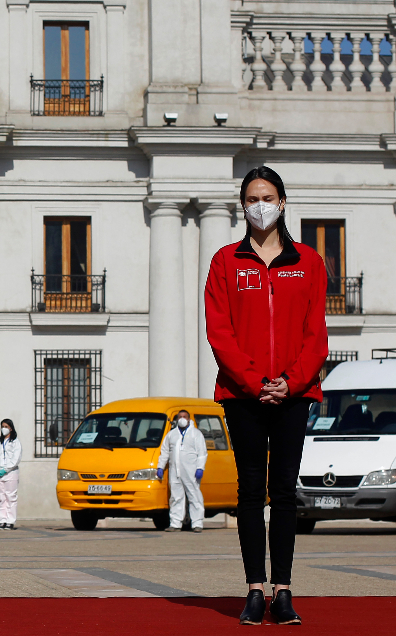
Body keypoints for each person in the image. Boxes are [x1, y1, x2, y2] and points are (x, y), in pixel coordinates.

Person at [205, 166, 327, 626]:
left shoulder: (309, 263)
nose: (261, 205)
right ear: (243, 206)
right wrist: (255, 381)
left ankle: (284, 590)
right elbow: (220, 332)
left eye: (269, 196)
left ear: (282, 202)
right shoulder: (224, 262)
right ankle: (255, 588)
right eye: (253, 198)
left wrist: (290, 382)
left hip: (295, 395)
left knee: (285, 492)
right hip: (243, 394)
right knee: (251, 491)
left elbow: (316, 334)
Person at [156, 410, 207, 533]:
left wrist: (200, 467)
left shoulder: (196, 434)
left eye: (184, 417)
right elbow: (165, 452)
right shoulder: (171, 434)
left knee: (194, 496)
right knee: (176, 497)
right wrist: (160, 467)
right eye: (180, 417)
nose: (182, 419)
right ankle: (175, 523)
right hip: (175, 471)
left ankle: (197, 523)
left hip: (191, 471)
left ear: (189, 419)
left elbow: (202, 453)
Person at [0, 419, 21, 530]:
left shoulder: (15, 442)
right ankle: (2, 520)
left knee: (10, 497)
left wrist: (6, 469)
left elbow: (16, 458)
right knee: (1, 498)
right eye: (2, 426)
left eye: (6, 426)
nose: (4, 428)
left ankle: (10, 521)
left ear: (11, 428)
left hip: (11, 473)